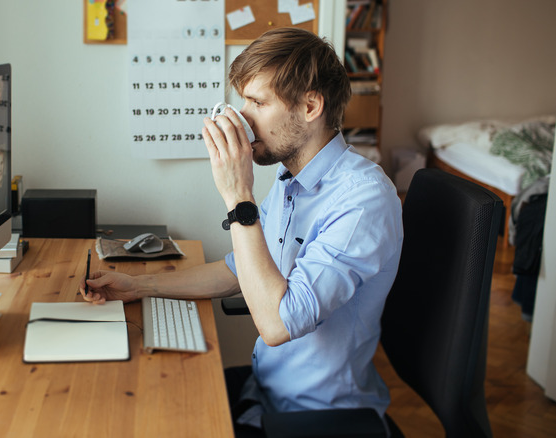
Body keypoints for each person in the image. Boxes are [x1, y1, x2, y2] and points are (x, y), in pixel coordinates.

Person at [82, 27, 403, 434]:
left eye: (256, 102)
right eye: (242, 101)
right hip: (265, 390)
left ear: (310, 106)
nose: (242, 118)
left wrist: (238, 196)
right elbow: (240, 269)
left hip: (313, 418)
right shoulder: (292, 179)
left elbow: (277, 324)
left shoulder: (363, 201)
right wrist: (138, 286)